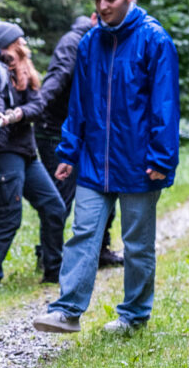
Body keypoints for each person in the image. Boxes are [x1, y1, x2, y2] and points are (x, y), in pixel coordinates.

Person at [33, 0, 180, 334]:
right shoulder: (89, 42)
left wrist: (162, 157)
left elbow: (166, 104)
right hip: (94, 161)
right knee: (83, 232)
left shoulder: (155, 39)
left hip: (140, 163)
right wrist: (69, 152)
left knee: (138, 244)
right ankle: (67, 311)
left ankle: (134, 315)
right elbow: (79, 103)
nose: (102, 5)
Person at [0, 21, 67, 285]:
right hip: (0, 151)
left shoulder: (23, 70)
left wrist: (21, 113)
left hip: (25, 151)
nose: (24, 43)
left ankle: (53, 270)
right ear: (7, 42)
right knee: (9, 216)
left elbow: (38, 105)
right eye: (19, 39)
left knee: (54, 207)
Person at [36, 15, 124, 269]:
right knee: (60, 197)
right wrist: (39, 103)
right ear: (95, 17)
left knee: (105, 189)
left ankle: (100, 251)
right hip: (55, 131)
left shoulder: (108, 42)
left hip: (89, 134)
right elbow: (59, 74)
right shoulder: (74, 41)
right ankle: (48, 258)